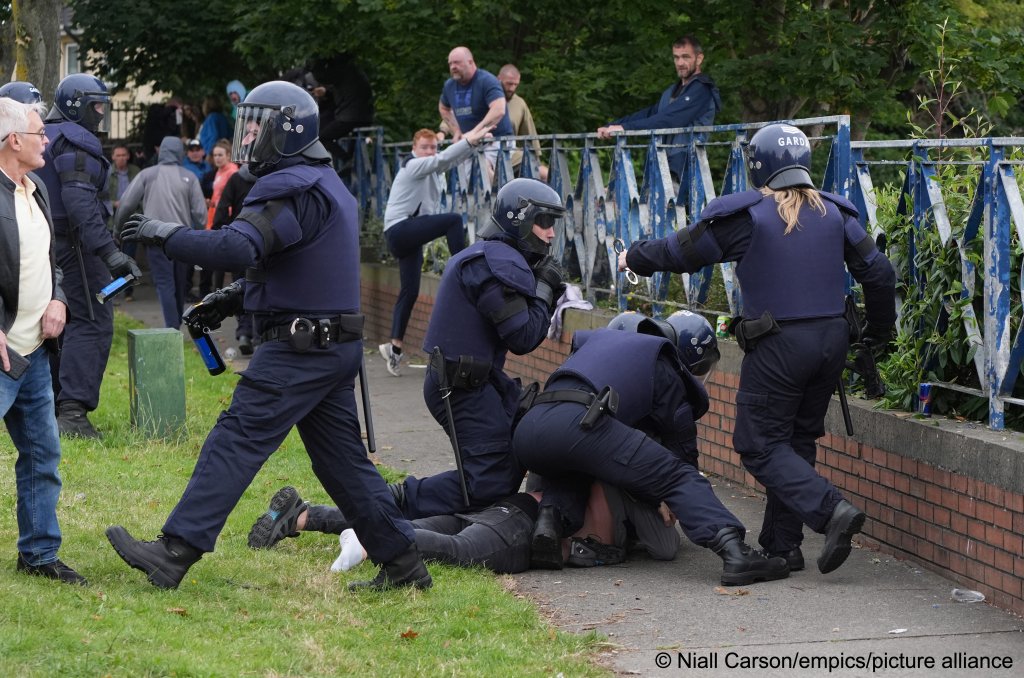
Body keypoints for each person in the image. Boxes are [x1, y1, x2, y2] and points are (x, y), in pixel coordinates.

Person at [105, 80, 431, 592]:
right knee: (343, 465)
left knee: (235, 438)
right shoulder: (323, 183)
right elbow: (295, 265)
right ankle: (406, 566)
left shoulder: (292, 188)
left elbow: (238, 247)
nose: (249, 135)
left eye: (258, 126)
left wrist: (162, 234)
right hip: (330, 345)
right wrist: (232, 299)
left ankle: (174, 551)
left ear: (288, 131)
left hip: (303, 349)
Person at [618, 123, 897, 575]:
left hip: (779, 345)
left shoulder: (749, 216)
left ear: (757, 166)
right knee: (796, 441)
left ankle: (831, 512)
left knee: (757, 444)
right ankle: (784, 547)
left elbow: (682, 251)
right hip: (831, 343)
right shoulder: (838, 214)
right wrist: (876, 332)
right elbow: (880, 275)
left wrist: (634, 257)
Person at [247, 177, 567, 550]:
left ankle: (354, 517)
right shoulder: (489, 264)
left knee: (494, 481)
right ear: (520, 219)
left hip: (475, 385)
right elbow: (524, 336)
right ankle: (324, 514)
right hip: (461, 389)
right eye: (544, 221)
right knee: (484, 485)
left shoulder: (492, 258)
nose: (551, 233)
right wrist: (546, 290)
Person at [512, 312, 790, 585]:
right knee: (679, 476)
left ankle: (551, 520)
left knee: (573, 468)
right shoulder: (661, 361)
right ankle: (735, 551)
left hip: (530, 428)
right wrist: (676, 491)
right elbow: (681, 448)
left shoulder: (595, 345)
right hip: (581, 423)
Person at [0, 95, 87, 585]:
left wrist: (58, 299)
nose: (47, 140)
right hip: (3, 349)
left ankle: (38, 555)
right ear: (14, 141)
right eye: (40, 133)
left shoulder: (36, 190)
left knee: (43, 456)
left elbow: (49, 258)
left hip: (34, 352)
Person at [36, 74, 141, 439]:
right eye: (96, 105)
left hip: (43, 241)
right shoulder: (76, 140)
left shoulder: (43, 133)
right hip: (74, 245)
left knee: (54, 321)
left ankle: (49, 405)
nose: (101, 113)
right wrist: (110, 253)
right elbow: (80, 201)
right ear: (77, 104)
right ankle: (73, 414)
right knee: (93, 320)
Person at [326, 480, 679, 575]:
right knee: (461, 553)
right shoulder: (616, 483)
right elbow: (665, 547)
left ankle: (301, 516)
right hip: (520, 522)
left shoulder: (578, 453)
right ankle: (366, 541)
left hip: (512, 507)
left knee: (425, 529)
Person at [377, 125, 492, 376]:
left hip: (408, 234)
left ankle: (394, 348)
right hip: (400, 230)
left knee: (410, 291)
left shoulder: (428, 164)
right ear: (413, 149)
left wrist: (474, 142)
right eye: (424, 148)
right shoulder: (413, 165)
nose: (429, 152)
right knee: (452, 220)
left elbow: (446, 161)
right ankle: (464, 269)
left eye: (432, 147)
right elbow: (442, 159)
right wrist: (470, 142)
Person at [113, 136, 206, 329]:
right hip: (183, 238)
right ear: (180, 152)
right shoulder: (189, 177)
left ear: (161, 151)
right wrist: (199, 237)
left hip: (155, 238)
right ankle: (176, 325)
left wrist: (118, 228)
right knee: (180, 284)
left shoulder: (147, 175)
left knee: (165, 284)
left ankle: (172, 328)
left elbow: (126, 204)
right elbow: (200, 214)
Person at [597, 36, 721, 181]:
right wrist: (612, 126)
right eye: (676, 57)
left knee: (675, 204)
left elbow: (669, 120)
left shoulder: (701, 89)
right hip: (661, 163)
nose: (680, 63)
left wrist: (624, 128)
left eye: (686, 57)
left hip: (685, 166)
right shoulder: (673, 91)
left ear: (699, 59)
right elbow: (649, 114)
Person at [438, 46, 514, 174]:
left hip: (496, 141)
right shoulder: (449, 85)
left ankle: (491, 194)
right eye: (450, 63)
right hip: (468, 141)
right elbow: (443, 108)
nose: (453, 67)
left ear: (470, 62)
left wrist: (475, 132)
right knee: (462, 178)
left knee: (482, 169)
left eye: (457, 62)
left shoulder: (486, 80)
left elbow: (499, 109)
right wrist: (456, 130)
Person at [211, 163, 258, 354]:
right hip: (265, 240)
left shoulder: (236, 179)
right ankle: (261, 335)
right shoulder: (269, 178)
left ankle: (245, 332)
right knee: (263, 286)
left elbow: (223, 208)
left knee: (241, 287)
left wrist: (220, 231)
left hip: (240, 238)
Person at [496, 64, 548, 182]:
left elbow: (529, 133)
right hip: (486, 153)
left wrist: (536, 160)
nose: (512, 88)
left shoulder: (519, 103)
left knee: (547, 175)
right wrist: (443, 130)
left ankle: (563, 199)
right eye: (509, 84)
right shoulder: (485, 98)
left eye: (515, 85)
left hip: (511, 154)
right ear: (499, 79)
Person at [107, 144, 142, 300]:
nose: (121, 158)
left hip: (130, 220)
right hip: (111, 220)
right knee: (112, 257)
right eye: (118, 155)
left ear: (128, 156)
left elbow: (142, 195)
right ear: (113, 157)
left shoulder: (136, 172)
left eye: (124, 155)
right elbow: (101, 196)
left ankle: (128, 292)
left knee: (129, 257)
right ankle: (113, 291)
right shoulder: (107, 173)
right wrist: (113, 203)